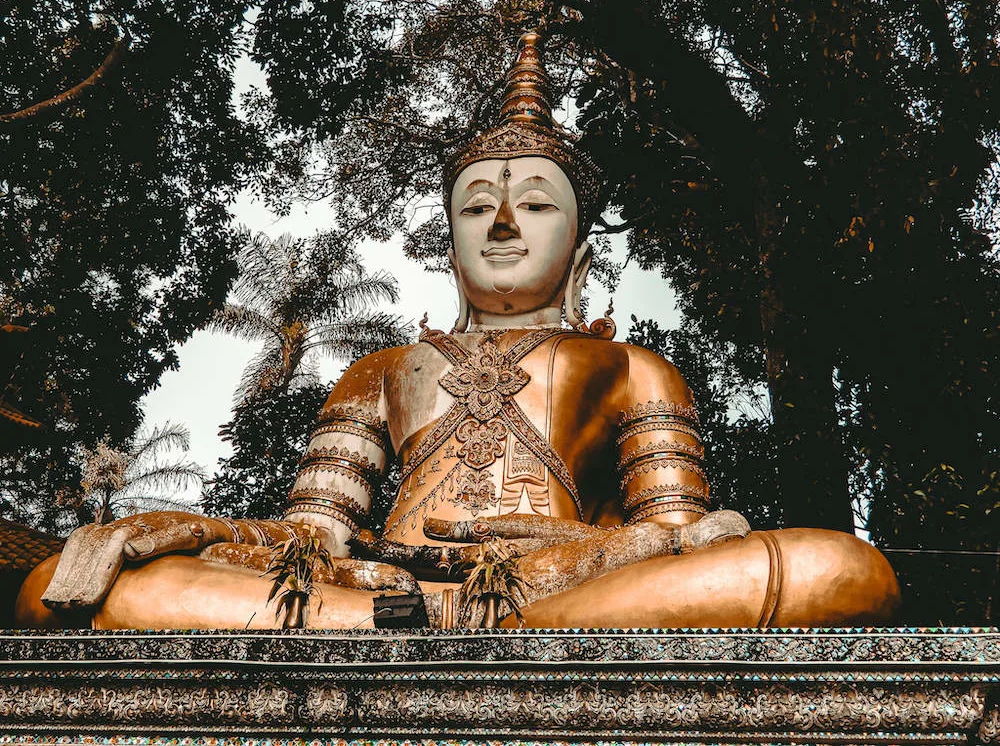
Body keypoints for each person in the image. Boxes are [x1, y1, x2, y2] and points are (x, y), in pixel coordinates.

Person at [15, 33, 899, 630]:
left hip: (573, 597)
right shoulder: (383, 369)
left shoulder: (634, 368)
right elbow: (315, 535)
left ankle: (473, 625)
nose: (504, 222)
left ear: (581, 251)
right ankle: (406, 627)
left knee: (835, 570)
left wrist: (578, 551)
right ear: (451, 243)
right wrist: (191, 529)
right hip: (371, 595)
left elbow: (683, 534)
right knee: (87, 580)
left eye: (535, 204)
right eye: (479, 205)